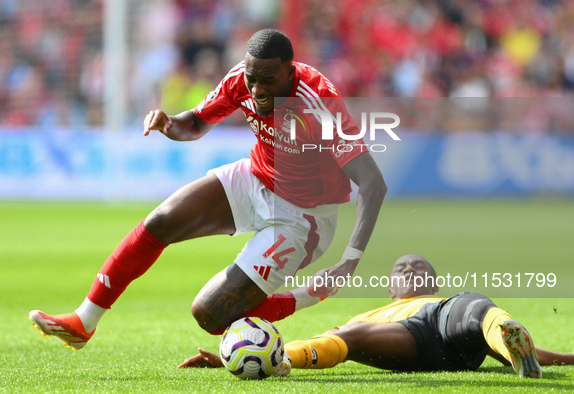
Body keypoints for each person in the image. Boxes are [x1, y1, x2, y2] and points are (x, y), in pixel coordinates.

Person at [28, 29, 387, 350]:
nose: (257, 89)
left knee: (210, 314)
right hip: (255, 178)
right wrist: (170, 123)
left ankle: (313, 293)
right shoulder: (240, 80)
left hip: (302, 218)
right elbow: (197, 122)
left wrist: (350, 260)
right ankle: (84, 322)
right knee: (161, 221)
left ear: (290, 73)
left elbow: (372, 183)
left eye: (266, 80)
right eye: (251, 79)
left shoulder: (319, 103)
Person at [179, 254, 574, 378]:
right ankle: (279, 361)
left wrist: (565, 359)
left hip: (449, 324)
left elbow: (527, 345)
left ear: (432, 280)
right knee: (347, 334)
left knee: (476, 308)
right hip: (410, 340)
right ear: (390, 289)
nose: (409, 267)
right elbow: (328, 341)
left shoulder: (443, 299)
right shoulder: (374, 313)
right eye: (401, 269)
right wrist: (232, 361)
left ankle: (512, 348)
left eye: (417, 267)